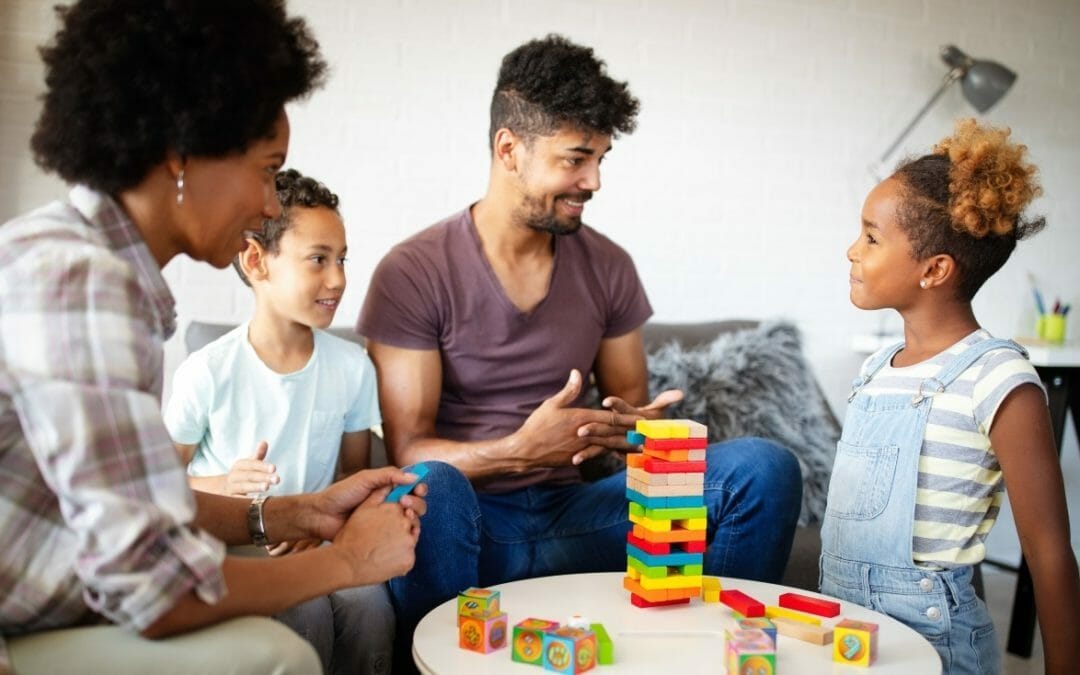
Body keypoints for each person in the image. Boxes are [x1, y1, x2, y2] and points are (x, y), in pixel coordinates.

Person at [0, 2, 424, 674]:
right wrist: (348, 560)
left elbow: (146, 510)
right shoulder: (81, 280)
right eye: (265, 169)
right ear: (181, 153)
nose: (267, 205)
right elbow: (156, 588)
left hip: (49, 595)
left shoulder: (89, 265)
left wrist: (303, 512)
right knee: (281, 655)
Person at [357, 33, 802, 667]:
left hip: (579, 517)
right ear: (508, 149)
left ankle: (710, 657)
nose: (592, 181)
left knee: (763, 467)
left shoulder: (609, 265)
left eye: (600, 158)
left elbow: (636, 424)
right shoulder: (413, 271)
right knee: (427, 484)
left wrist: (632, 430)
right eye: (575, 159)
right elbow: (408, 450)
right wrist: (518, 450)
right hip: (473, 529)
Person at [824, 118, 1080, 674]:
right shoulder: (874, 371)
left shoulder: (996, 377)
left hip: (936, 642)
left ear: (934, 270)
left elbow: (1050, 554)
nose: (852, 250)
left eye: (871, 236)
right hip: (842, 629)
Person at [163, 168, 394, 674]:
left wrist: (321, 527)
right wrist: (224, 482)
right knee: (304, 608)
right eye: (317, 259)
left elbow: (352, 477)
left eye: (341, 259)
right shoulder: (207, 371)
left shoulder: (352, 366)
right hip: (239, 545)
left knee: (370, 602)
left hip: (315, 538)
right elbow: (159, 487)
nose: (337, 278)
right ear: (255, 261)